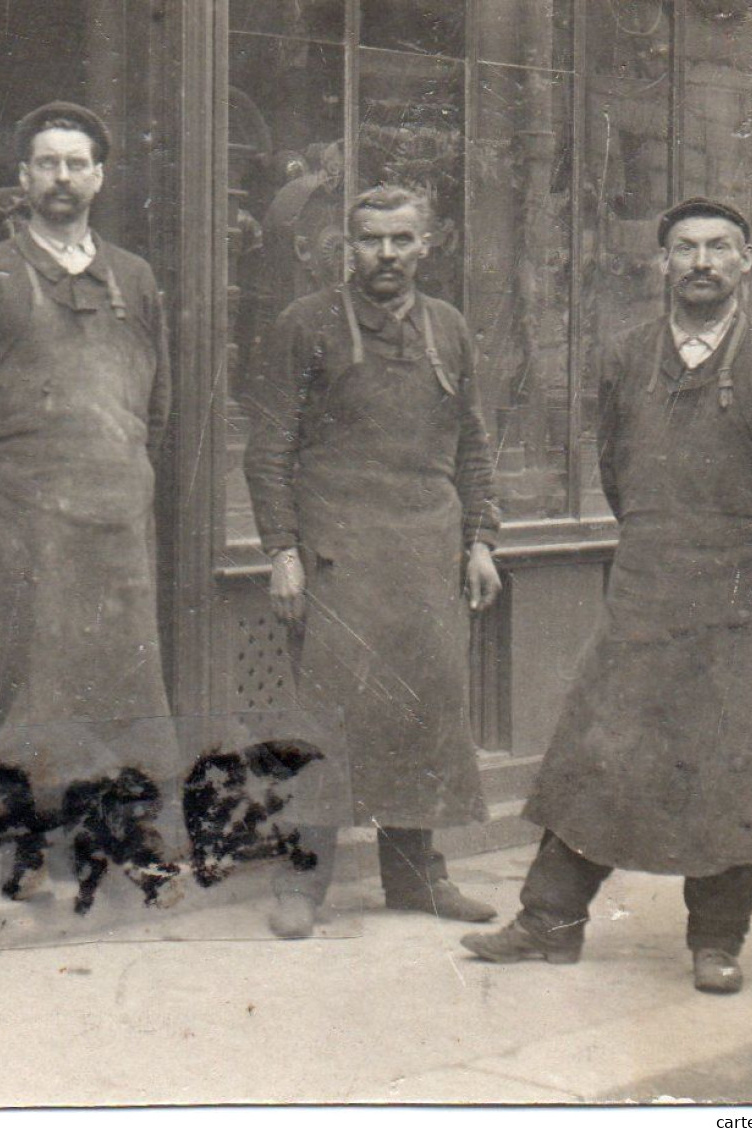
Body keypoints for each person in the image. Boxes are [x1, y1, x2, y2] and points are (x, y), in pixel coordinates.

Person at [463, 198, 752, 993]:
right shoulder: (622, 356)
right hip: (646, 589)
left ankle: (715, 939)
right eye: (684, 248)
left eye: (720, 247)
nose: (701, 262)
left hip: (748, 596)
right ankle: (548, 920)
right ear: (660, 264)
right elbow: (617, 474)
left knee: (737, 772)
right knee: (595, 755)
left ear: (747, 263)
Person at [244, 184, 504, 938]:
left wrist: (480, 541)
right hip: (336, 557)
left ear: (427, 245)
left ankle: (417, 877)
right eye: (369, 240)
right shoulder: (305, 326)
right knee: (327, 719)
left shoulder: (448, 329)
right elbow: (267, 452)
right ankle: (300, 882)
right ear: (346, 247)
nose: (384, 255)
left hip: (427, 556)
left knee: (423, 713)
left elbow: (473, 446)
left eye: (400, 239)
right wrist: (281, 551)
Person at [0, 101, 172, 798]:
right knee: (34, 689)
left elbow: (155, 405)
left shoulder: (132, 277)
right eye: (47, 164)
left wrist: (119, 475)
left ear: (99, 178)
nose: (62, 178)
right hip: (26, 527)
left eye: (76, 164)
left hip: (119, 528)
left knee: (124, 688)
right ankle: (29, 844)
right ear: (23, 176)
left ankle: (114, 839)